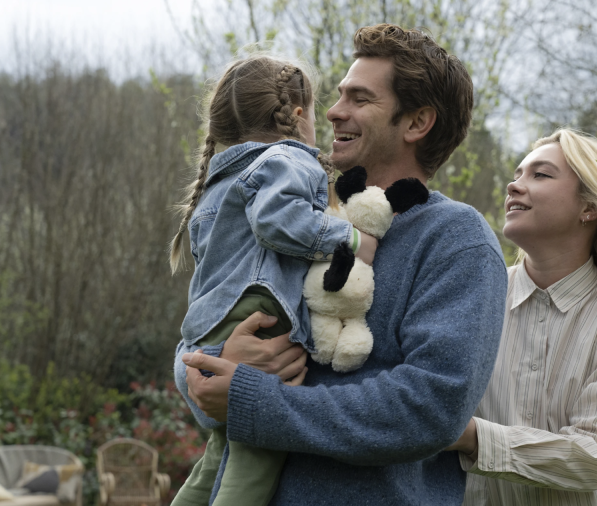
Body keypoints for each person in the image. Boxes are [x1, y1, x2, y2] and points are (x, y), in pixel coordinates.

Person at [177, 24, 508, 505]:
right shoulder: (297, 221)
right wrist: (211, 373)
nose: (333, 112)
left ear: (416, 123)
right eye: (337, 96)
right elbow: (203, 328)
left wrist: (256, 400)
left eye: (359, 99)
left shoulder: (457, 239)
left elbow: (433, 406)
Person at [168, 54, 379, 506]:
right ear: (297, 115)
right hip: (258, 313)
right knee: (257, 458)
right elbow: (278, 222)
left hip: (213, 326)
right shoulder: (288, 157)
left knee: (220, 452)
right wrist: (351, 237)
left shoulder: (220, 178)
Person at [446, 128, 597, 505]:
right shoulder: (475, 294)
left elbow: (596, 454)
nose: (514, 185)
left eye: (540, 174)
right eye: (517, 174)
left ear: (590, 207)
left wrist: (471, 437)